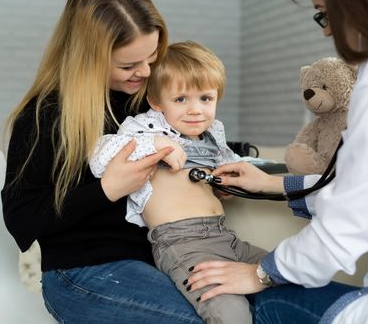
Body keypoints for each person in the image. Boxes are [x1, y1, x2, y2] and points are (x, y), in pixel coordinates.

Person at [185, 0, 368, 323]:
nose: (326, 30)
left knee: (265, 302)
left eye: (324, 13)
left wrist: (261, 273)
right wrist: (271, 183)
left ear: (356, 1)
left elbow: (352, 218)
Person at [1, 0, 206, 323]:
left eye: (152, 57)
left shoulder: (148, 101)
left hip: (159, 258)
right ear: (88, 58)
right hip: (80, 272)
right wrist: (107, 189)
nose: (144, 72)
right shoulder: (45, 115)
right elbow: (21, 218)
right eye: (128, 66)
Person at [89, 40, 268, 324]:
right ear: (157, 102)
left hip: (225, 237)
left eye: (205, 99)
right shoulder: (147, 127)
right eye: (181, 99)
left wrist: (228, 182)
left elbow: (233, 166)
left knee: (287, 270)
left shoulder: (213, 133)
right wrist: (154, 144)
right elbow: (99, 156)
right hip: (183, 244)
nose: (195, 110)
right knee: (230, 313)